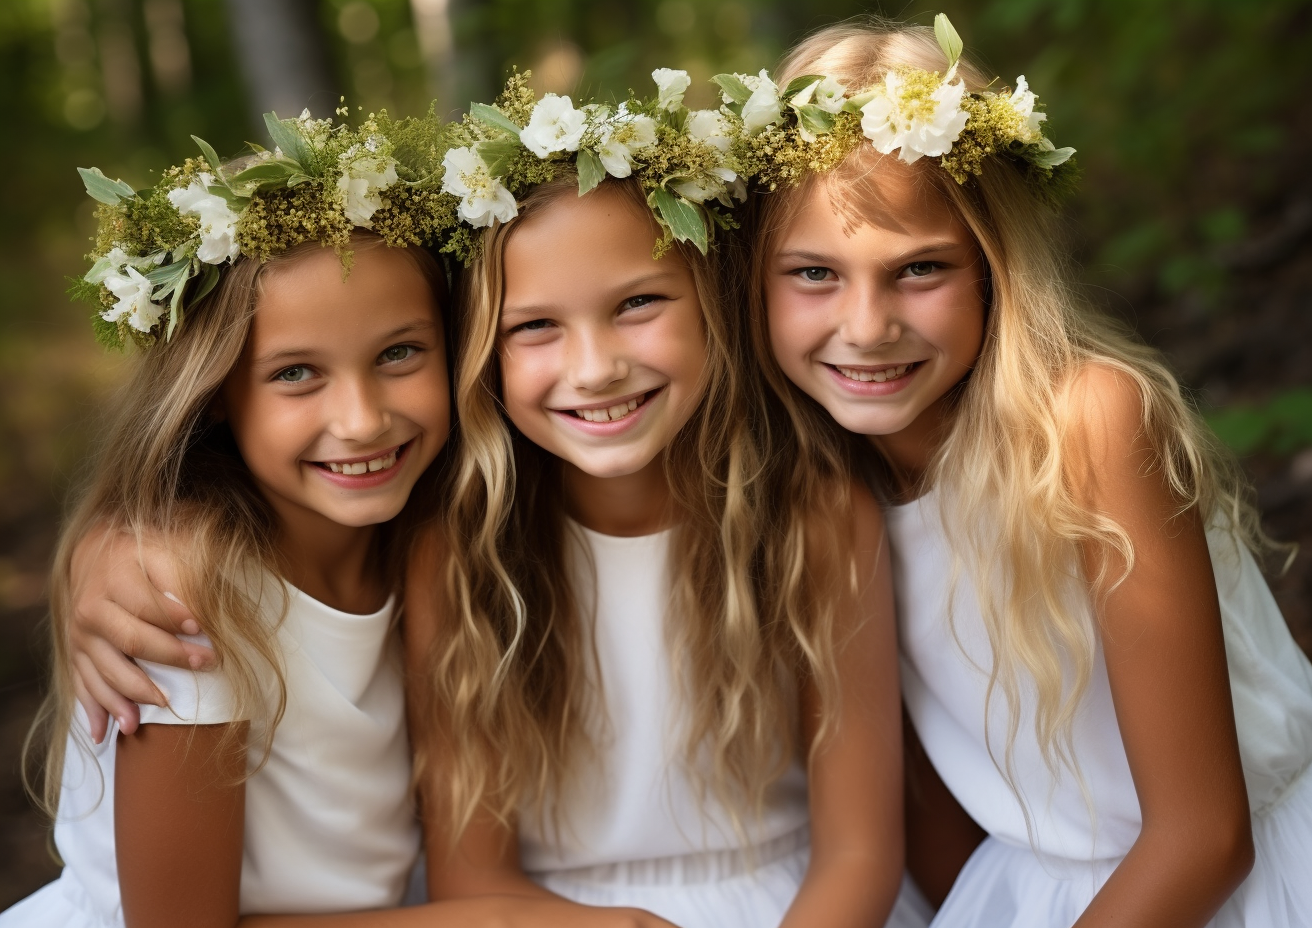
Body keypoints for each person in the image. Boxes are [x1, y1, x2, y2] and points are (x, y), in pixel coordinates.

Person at [44, 75, 927, 928]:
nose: (595, 368)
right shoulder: (454, 538)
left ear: (714, 300)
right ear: (487, 349)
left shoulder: (808, 509)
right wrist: (111, 546)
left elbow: (859, 852)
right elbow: (473, 874)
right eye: (536, 325)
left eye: (639, 304)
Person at [5, 112, 670, 928]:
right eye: (295, 374)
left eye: (399, 354)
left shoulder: (429, 536)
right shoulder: (185, 603)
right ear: (215, 396)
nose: (361, 421)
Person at [739, 14, 1312, 928]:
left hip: (1226, 884)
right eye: (813, 274)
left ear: (992, 272)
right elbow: (929, 810)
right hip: (1035, 895)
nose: (866, 325)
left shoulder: (1088, 423)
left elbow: (1205, 835)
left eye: (919, 269)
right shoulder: (823, 491)